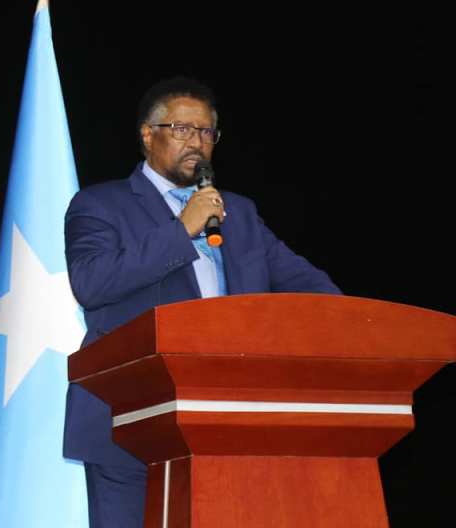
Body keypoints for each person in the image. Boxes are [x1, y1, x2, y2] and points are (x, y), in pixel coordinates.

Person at [62, 77, 341, 527]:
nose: (196, 142)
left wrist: (357, 323)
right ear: (147, 134)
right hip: (128, 422)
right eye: (182, 129)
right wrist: (181, 230)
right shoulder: (100, 204)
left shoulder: (239, 212)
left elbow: (307, 284)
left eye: (207, 132)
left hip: (226, 420)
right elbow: (92, 284)